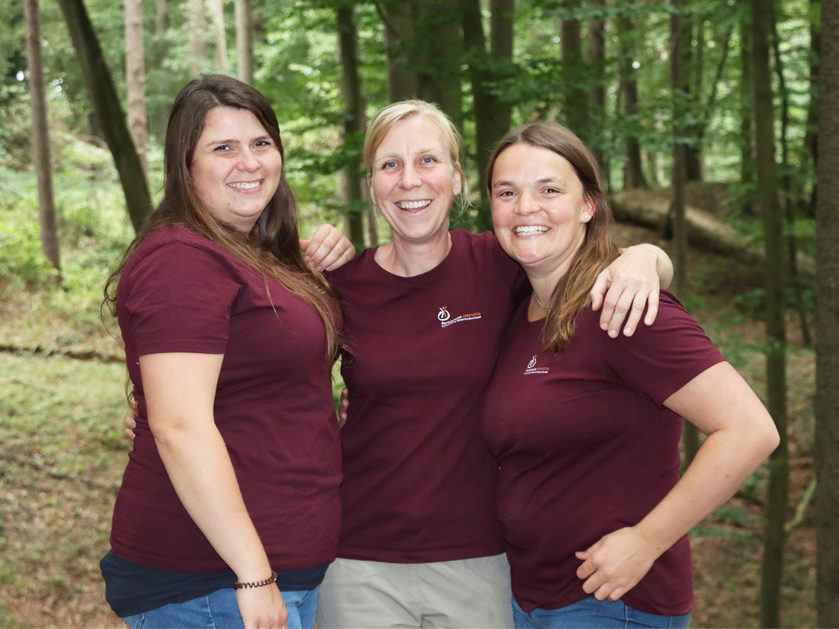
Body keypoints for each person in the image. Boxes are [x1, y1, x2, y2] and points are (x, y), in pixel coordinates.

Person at [314, 101, 675, 628]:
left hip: (482, 559)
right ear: (371, 184)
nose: (409, 179)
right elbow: (265, 372)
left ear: (459, 180)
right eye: (390, 165)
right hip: (359, 560)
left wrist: (646, 256)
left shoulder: (505, 262)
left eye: (428, 161)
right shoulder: (341, 285)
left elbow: (592, 265)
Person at [480, 121, 780, 628]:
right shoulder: (518, 310)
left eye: (549, 190)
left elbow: (750, 431)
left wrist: (648, 540)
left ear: (587, 205)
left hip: (611, 603)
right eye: (507, 192)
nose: (525, 207)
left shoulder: (624, 308)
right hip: (531, 598)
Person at [101, 74, 355, 629]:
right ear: (185, 165)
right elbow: (179, 427)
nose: (250, 162)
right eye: (223, 147)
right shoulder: (181, 259)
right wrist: (253, 573)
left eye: (261, 143)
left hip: (274, 573)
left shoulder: (255, 254)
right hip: (215, 582)